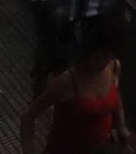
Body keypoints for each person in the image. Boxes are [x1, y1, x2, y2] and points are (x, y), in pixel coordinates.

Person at [22, 22, 126, 154]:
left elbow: (116, 95)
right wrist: (28, 148)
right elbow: (29, 116)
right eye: (97, 58)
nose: (101, 64)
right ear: (87, 54)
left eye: (107, 57)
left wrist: (121, 126)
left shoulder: (113, 67)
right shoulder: (66, 83)